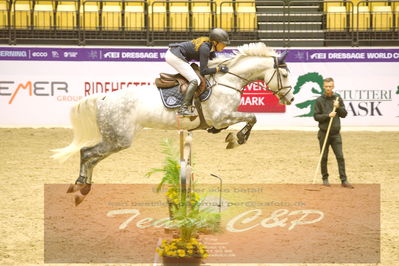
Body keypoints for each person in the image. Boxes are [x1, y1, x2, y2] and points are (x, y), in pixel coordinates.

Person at [165, 28, 230, 117]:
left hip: (175, 53)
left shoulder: (210, 48)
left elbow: (216, 62)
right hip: (174, 56)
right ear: (215, 42)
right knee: (195, 80)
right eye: (223, 44)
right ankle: (183, 109)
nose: (224, 47)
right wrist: (218, 69)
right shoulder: (205, 48)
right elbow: (204, 71)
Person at [313, 77, 354, 188]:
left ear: (333, 86)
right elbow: (316, 117)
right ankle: (325, 179)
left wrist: (338, 107)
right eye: (326, 86)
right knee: (324, 156)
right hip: (323, 133)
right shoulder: (319, 100)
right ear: (323, 86)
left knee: (340, 156)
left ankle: (344, 180)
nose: (328, 88)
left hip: (335, 134)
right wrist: (328, 115)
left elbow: (344, 114)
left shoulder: (337, 99)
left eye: (330, 86)